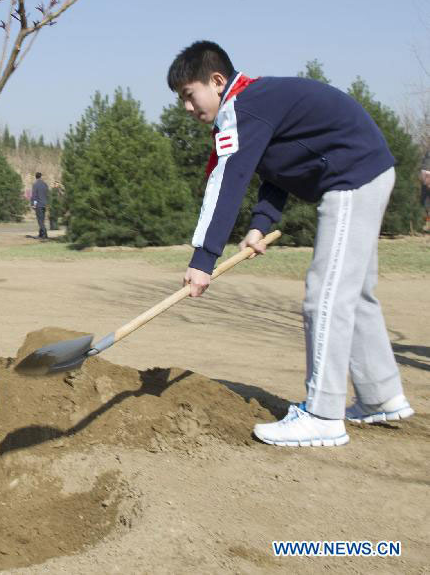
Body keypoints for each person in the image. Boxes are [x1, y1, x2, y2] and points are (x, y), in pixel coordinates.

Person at [168, 40, 412, 448]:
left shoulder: (244, 108)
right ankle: (381, 396)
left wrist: (203, 259)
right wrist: (261, 223)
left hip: (351, 177)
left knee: (326, 296)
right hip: (366, 171)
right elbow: (277, 168)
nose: (187, 108)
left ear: (216, 80)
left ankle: (322, 415)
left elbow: (229, 183)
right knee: (355, 295)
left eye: (189, 96)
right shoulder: (255, 102)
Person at [31, 172, 49, 239]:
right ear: (41, 177)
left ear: (35, 177)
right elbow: (47, 195)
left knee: (40, 221)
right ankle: (41, 234)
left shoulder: (35, 185)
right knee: (42, 220)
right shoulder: (45, 184)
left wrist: (33, 204)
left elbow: (34, 196)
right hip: (44, 204)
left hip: (39, 205)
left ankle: (45, 235)